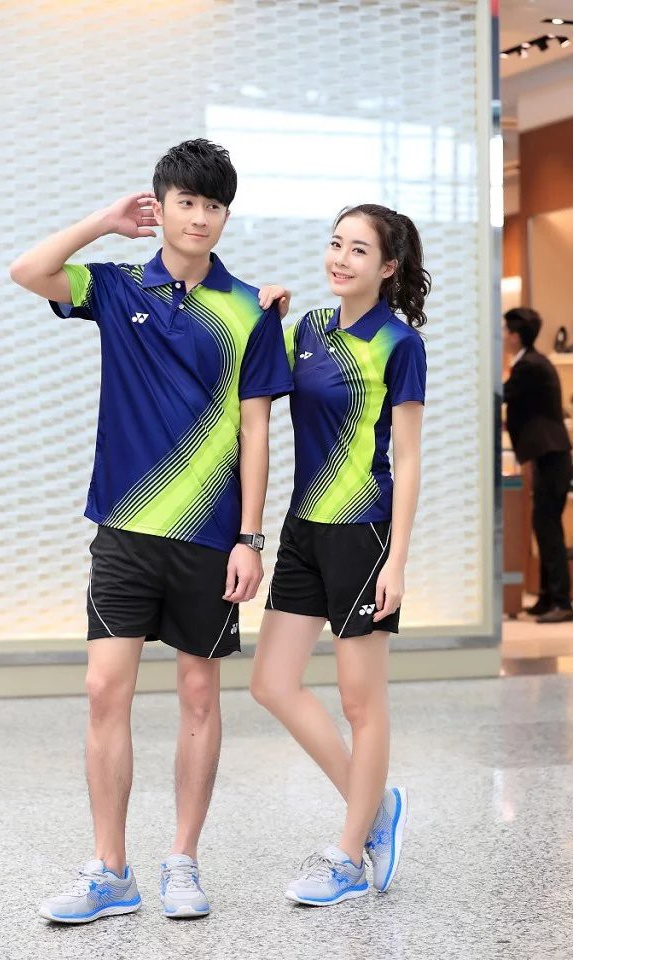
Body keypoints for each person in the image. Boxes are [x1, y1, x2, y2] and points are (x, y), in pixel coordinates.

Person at [9, 139, 293, 923]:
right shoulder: (115, 286)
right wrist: (102, 222)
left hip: (210, 537)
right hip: (125, 530)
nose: (200, 217)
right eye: (186, 202)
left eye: (214, 205)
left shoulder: (252, 310)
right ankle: (110, 869)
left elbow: (257, 431)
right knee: (105, 690)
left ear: (226, 215)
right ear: (159, 206)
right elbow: (27, 271)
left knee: (199, 693)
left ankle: (182, 860)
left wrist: (251, 539)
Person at [251, 204, 428, 906]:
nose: (341, 258)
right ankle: (376, 805)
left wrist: (397, 561)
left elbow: (408, 458)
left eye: (359, 250)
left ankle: (350, 855)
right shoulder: (308, 329)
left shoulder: (399, 344)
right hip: (304, 530)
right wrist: (267, 313)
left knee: (361, 701)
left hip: (364, 532)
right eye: (335, 244)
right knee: (272, 682)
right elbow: (260, 385)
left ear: (387, 267)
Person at [502, 306, 573, 623]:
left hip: (551, 456)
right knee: (543, 526)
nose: (503, 336)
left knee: (548, 527)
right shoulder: (531, 362)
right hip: (549, 455)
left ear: (516, 336)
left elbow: (500, 395)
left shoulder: (528, 366)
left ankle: (561, 601)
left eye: (505, 331)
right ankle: (547, 597)